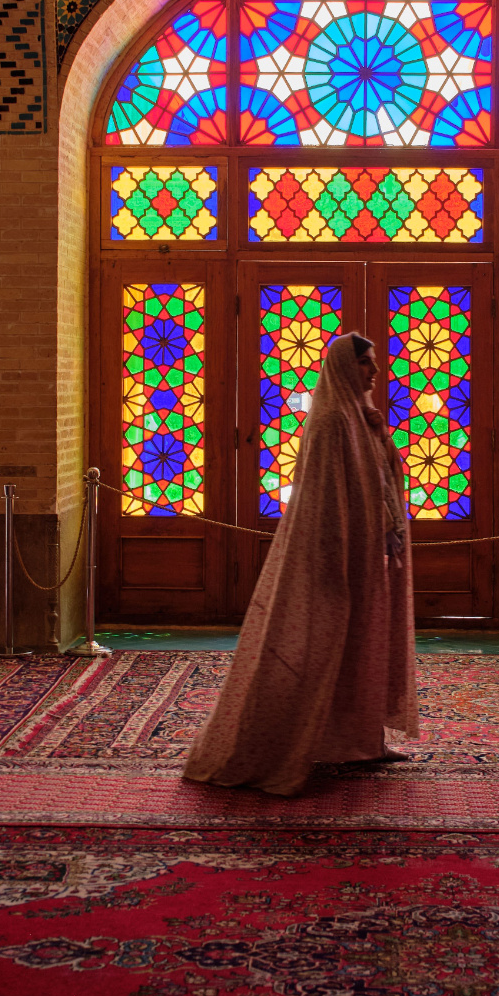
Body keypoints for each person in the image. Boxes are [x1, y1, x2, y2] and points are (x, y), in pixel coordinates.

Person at [182, 331, 418, 795]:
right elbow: (327, 501)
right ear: (347, 367)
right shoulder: (332, 422)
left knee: (363, 648)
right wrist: (343, 555)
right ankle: (270, 746)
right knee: (314, 650)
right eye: (367, 364)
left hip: (368, 553)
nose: (374, 371)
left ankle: (359, 740)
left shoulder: (358, 416)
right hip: (337, 556)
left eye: (372, 363)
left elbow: (377, 483)